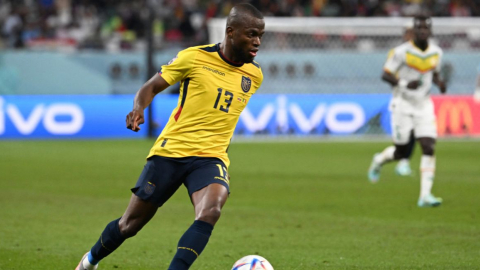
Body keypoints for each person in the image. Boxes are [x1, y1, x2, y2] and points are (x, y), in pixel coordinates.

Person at [75, 3, 265, 270]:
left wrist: (221, 160)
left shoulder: (254, 75)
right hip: (171, 152)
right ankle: (89, 261)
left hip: (210, 158)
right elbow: (151, 87)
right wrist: (138, 109)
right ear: (231, 32)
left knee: (211, 211)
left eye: (261, 36)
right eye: (252, 34)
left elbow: (225, 118)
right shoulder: (194, 57)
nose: (257, 42)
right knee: (129, 225)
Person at [367, 15, 447, 207]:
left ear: (430, 31)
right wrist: (404, 83)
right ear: (413, 31)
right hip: (402, 104)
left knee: (428, 146)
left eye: (425, 28)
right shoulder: (401, 52)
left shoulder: (437, 52)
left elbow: (433, 72)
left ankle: (425, 196)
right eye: (419, 28)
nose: (422, 32)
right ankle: (379, 159)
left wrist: (440, 83)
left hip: (424, 105)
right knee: (402, 152)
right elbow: (385, 74)